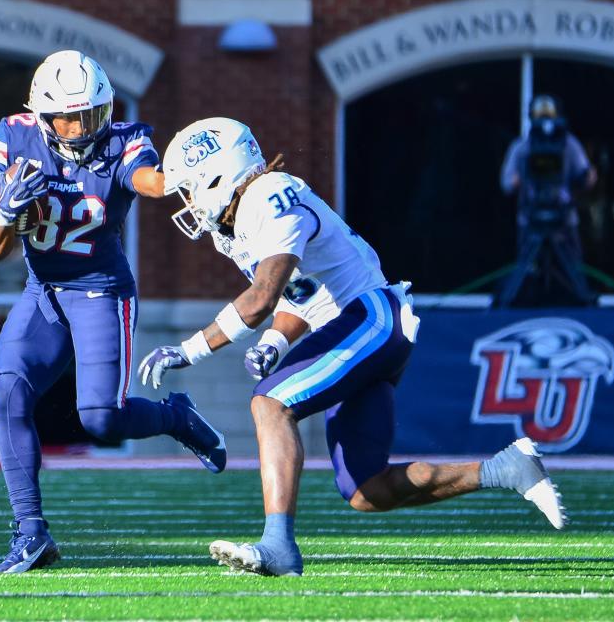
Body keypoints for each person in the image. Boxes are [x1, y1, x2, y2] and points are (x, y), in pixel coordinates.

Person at [138, 117, 567, 577]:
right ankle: (506, 469)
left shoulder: (269, 195)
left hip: (370, 318)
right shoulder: (241, 220)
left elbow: (263, 296)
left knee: (270, 403)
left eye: (190, 189)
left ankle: (278, 546)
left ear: (218, 176)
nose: (189, 203)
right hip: (355, 325)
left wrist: (190, 349)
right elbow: (303, 295)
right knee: (367, 489)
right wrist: (276, 340)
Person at [0, 50, 226, 575]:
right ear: (42, 114)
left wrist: (184, 177)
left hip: (100, 289)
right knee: (8, 392)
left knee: (100, 419)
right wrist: (4, 210)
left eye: (92, 114)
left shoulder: (122, 140)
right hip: (43, 288)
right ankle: (30, 533)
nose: (81, 127)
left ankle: (174, 416)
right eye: (69, 116)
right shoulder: (11, 138)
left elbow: (149, 180)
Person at [495, 95, 598, 307]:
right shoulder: (522, 147)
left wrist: (587, 177)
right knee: (529, 273)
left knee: (572, 273)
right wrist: (521, 176)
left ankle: (581, 308)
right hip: (531, 222)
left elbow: (586, 177)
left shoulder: (569, 145)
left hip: (564, 222)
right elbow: (507, 184)